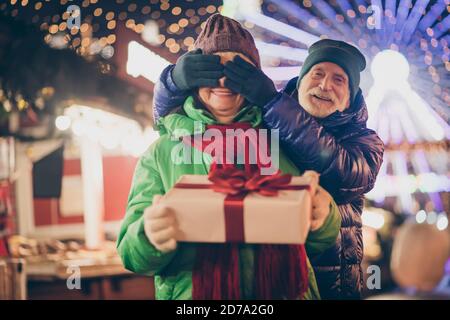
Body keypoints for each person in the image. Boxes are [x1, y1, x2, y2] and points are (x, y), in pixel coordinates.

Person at [152, 23, 384, 299]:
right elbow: (175, 121)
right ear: (299, 83)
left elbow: (342, 172)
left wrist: (273, 103)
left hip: (335, 282)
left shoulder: (365, 141)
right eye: (317, 73)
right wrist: (172, 82)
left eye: (339, 80)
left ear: (352, 98)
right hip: (276, 282)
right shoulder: (270, 122)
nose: (325, 85)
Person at [117, 14, 341, 300]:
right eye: (211, 69)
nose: (223, 80)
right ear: (193, 78)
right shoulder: (160, 153)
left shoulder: (284, 141)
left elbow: (318, 240)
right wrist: (149, 235)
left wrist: (323, 216)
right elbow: (131, 254)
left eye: (237, 71)